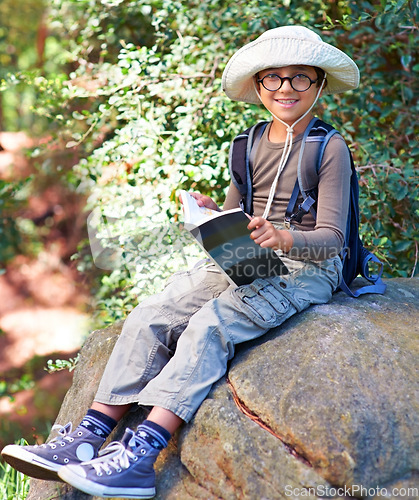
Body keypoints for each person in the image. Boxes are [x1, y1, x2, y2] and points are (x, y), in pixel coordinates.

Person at [1, 25, 359, 499]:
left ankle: (140, 456)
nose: (286, 88)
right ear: (257, 86)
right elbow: (240, 214)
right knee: (153, 313)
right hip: (247, 254)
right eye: (273, 78)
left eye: (300, 78)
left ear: (319, 84)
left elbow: (333, 239)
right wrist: (213, 216)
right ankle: (87, 438)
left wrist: (283, 236)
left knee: (212, 323)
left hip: (306, 268)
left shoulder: (328, 147)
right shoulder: (246, 144)